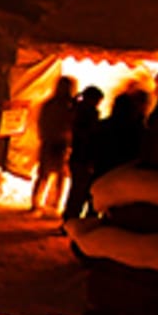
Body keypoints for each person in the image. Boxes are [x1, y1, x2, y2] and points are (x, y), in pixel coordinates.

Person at [30, 76, 75, 214]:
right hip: (56, 142)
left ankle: (48, 203)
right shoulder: (66, 106)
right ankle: (44, 203)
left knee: (53, 175)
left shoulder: (53, 104)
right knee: (49, 174)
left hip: (55, 142)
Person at [60, 85, 106, 222]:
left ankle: (69, 219)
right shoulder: (88, 113)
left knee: (76, 190)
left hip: (78, 155)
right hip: (83, 156)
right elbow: (88, 135)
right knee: (80, 191)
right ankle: (71, 221)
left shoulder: (76, 110)